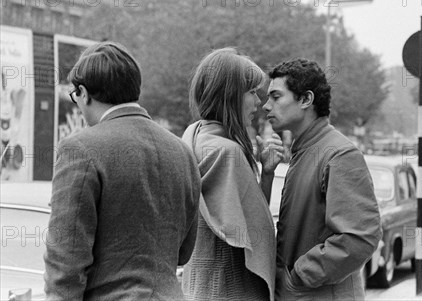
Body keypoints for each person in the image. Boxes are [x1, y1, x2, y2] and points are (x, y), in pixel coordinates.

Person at [44, 42, 201, 300]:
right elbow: (184, 252)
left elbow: (65, 261)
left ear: (83, 93)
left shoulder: (80, 148)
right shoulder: (182, 151)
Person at [263, 58, 382, 300]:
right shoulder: (305, 149)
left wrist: (299, 276)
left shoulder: (339, 154)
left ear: (306, 99)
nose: (266, 106)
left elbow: (359, 238)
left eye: (276, 97)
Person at [182, 48, 284, 301]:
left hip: (197, 287)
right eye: (251, 92)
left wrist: (266, 174)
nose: (259, 102)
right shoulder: (228, 154)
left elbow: (238, 215)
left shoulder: (193, 139)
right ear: (229, 95)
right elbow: (253, 234)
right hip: (229, 289)